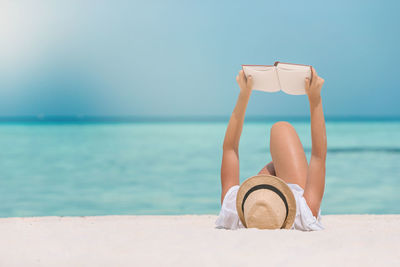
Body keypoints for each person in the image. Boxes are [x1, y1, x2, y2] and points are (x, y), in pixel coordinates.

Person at [215, 67, 327, 231]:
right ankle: (278, 167)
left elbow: (319, 156)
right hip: (272, 194)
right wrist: (315, 99)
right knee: (281, 128)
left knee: (277, 162)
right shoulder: (303, 213)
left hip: (268, 201)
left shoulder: (233, 211)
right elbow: (318, 156)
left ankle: (278, 167)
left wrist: (244, 95)